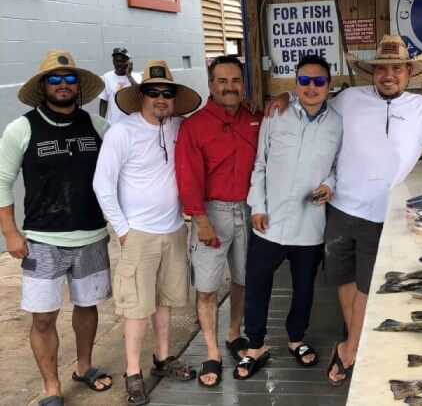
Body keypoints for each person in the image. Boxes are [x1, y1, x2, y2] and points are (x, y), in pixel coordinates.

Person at [267, 35, 422, 386]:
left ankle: (350, 350)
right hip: (340, 208)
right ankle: (355, 337)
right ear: (372, 73)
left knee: (365, 284)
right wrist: (283, 96)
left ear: (409, 72)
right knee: (341, 279)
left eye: (396, 68)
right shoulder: (348, 99)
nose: (388, 75)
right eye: (381, 69)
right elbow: (312, 105)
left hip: (382, 215)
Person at [0, 50, 113, 406]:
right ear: (43, 86)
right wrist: (11, 233)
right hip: (42, 242)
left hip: (92, 237)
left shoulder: (98, 127)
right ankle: (51, 387)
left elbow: (124, 168)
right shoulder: (22, 128)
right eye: (55, 79)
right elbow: (2, 180)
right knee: (44, 317)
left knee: (88, 306)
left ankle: (84, 366)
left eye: (69, 79)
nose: (63, 85)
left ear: (78, 86)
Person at [93, 60, 201, 406]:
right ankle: (133, 372)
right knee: (137, 307)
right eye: (152, 92)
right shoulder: (121, 132)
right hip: (137, 233)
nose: (160, 98)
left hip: (173, 230)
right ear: (141, 95)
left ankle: (163, 358)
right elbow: (102, 185)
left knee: (166, 300)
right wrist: (123, 231)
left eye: (167, 93)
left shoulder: (179, 126)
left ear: (173, 98)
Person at [234, 55, 342, 380]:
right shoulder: (276, 114)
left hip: (310, 225)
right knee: (257, 285)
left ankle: (297, 340)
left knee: (304, 288)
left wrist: (329, 184)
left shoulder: (338, 122)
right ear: (295, 84)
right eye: (305, 81)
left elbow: (339, 166)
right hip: (269, 222)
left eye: (319, 81)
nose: (311, 87)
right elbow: (260, 164)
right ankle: (255, 346)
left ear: (329, 85)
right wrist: (258, 206)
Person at [175, 55, 263, 387]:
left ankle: (233, 333)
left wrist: (280, 99)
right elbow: (187, 176)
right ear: (211, 86)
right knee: (207, 288)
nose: (229, 87)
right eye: (222, 81)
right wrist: (200, 218)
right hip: (210, 213)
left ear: (244, 84)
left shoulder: (255, 116)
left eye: (235, 81)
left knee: (242, 280)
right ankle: (211, 352)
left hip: (247, 210)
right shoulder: (194, 125)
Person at [99, 47, 142, 125]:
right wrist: (101, 122)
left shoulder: (137, 77)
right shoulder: (107, 77)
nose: (119, 64)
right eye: (116, 61)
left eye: (122, 61)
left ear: (128, 62)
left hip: (133, 125)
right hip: (113, 124)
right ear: (113, 61)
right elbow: (103, 101)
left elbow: (141, 95)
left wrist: (129, 76)